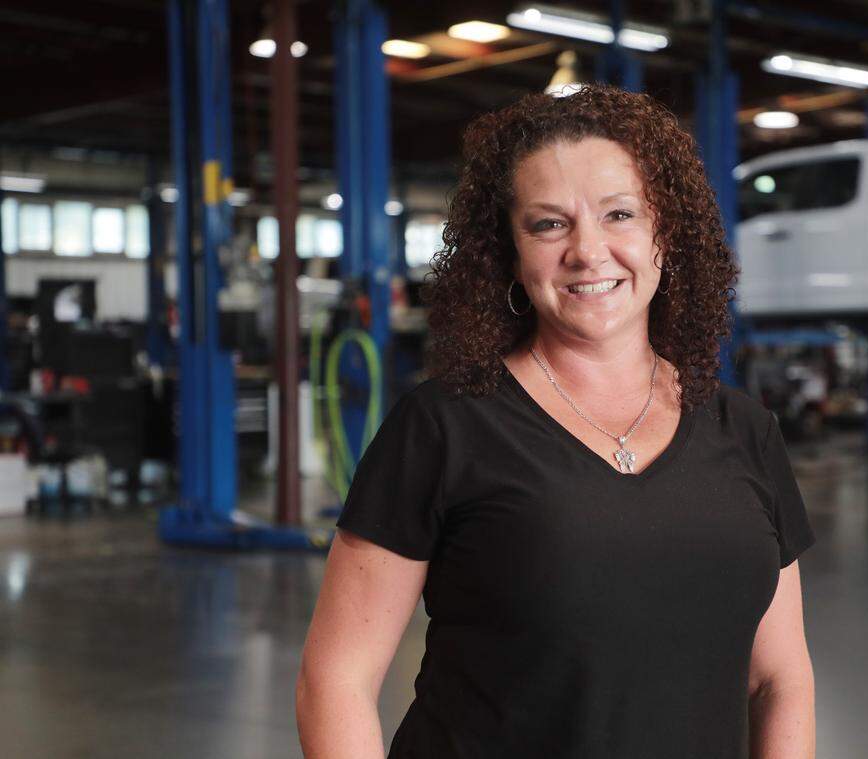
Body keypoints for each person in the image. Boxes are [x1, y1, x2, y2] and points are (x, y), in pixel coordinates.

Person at [296, 84, 817, 758]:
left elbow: (779, 679)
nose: (588, 250)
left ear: (665, 235)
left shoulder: (744, 430)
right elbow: (335, 679)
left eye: (620, 214)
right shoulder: (443, 427)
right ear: (510, 255)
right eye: (549, 224)